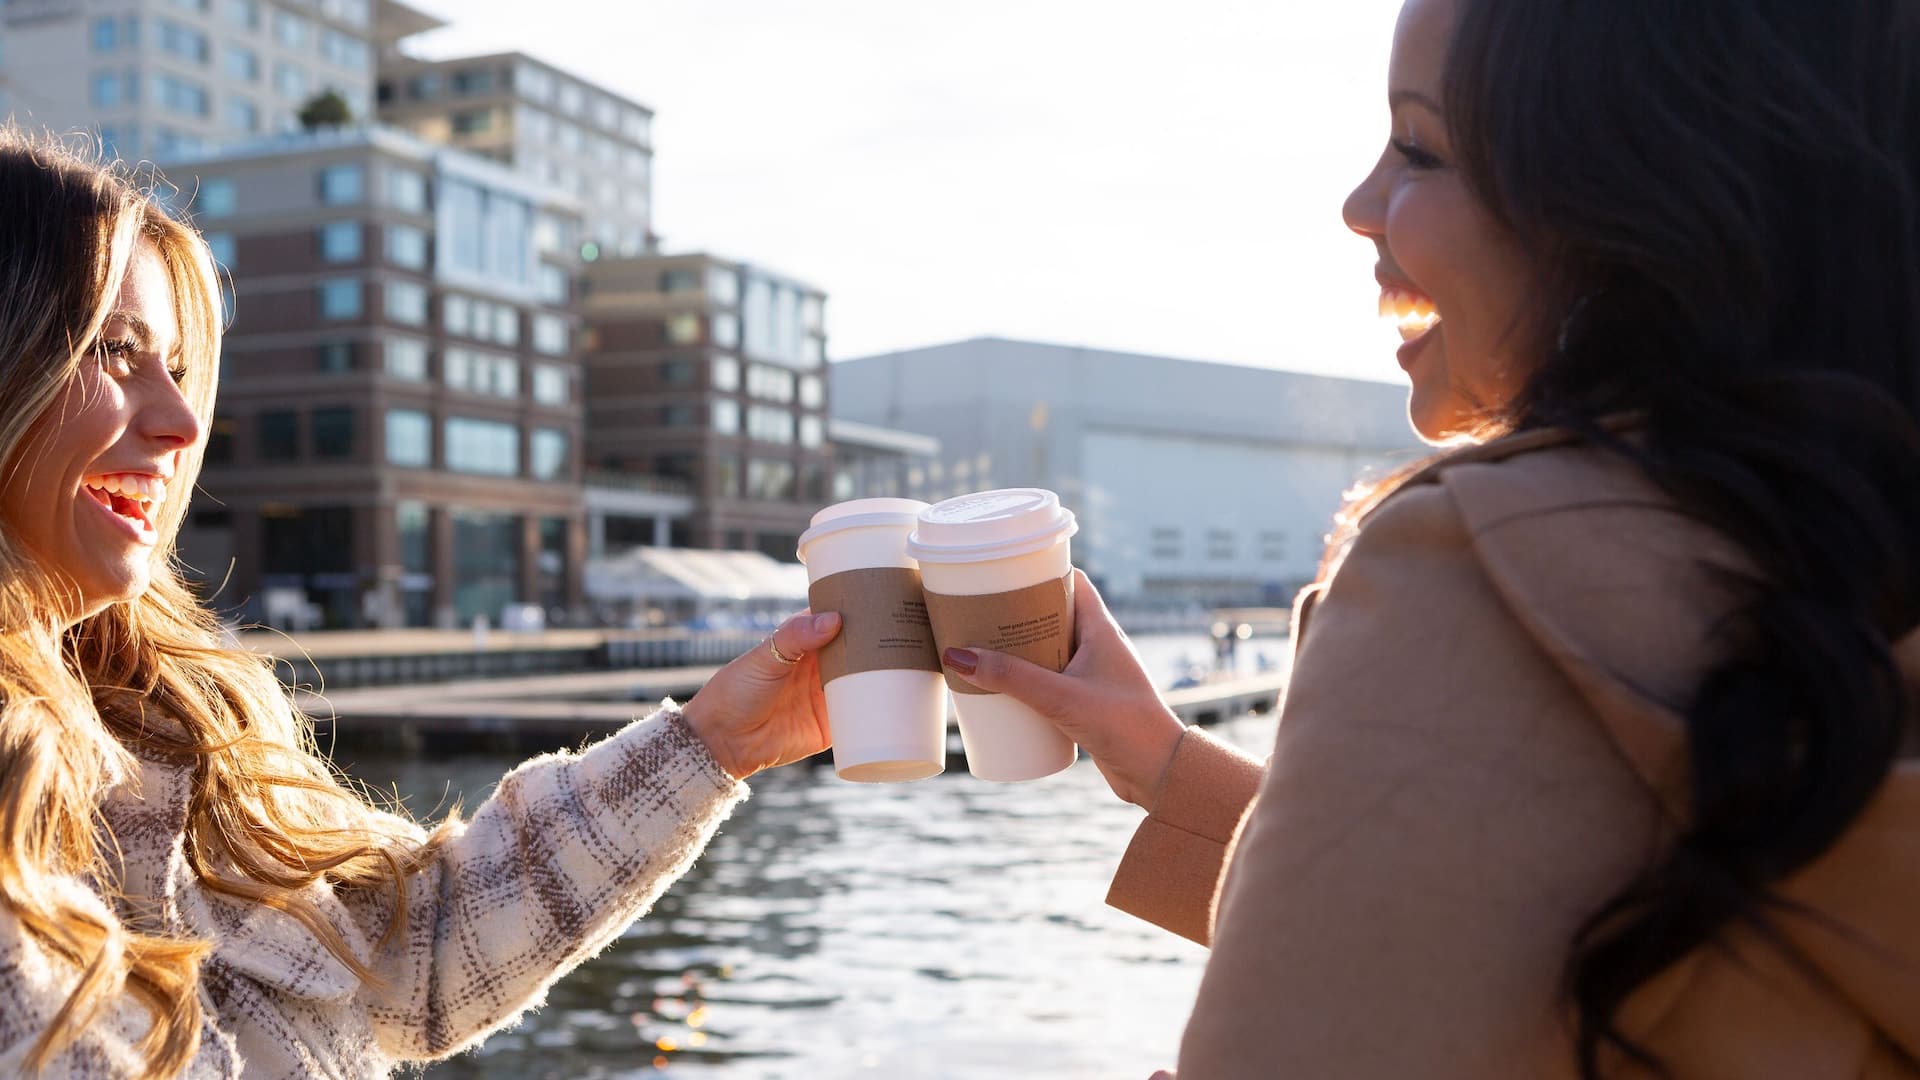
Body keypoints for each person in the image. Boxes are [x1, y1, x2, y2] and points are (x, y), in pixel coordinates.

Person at [947, 0, 1920, 1075]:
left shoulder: (1474, 569)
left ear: (1632, 194)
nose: (1360, 203)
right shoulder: (1846, 543)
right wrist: (1167, 770)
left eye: (1420, 148)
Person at [0, 131, 842, 1078]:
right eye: (115, 351)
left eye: (177, 366)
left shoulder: (162, 726)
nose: (184, 420)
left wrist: (714, 743)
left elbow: (411, 956)